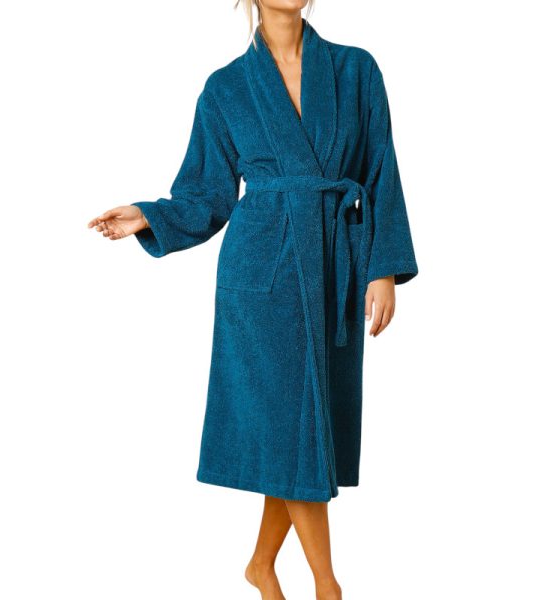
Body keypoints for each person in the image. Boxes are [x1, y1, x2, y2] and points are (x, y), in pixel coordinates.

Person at [87, 2, 419, 598]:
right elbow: (206, 195)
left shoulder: (356, 70)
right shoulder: (227, 88)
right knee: (293, 428)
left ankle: (261, 567)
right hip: (260, 280)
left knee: (298, 431)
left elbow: (381, 169)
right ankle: (328, 587)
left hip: (333, 266)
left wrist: (383, 268)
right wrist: (149, 215)